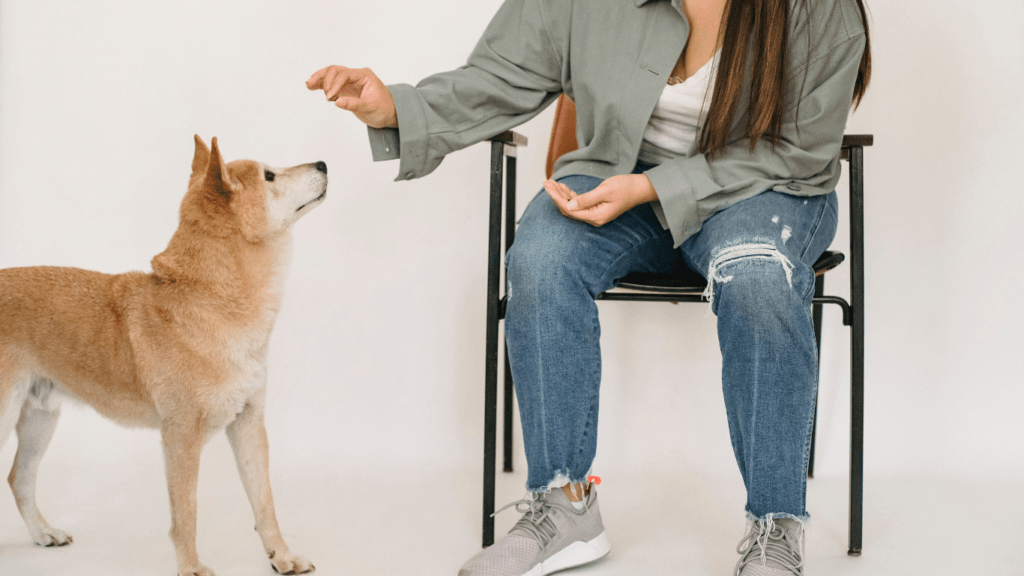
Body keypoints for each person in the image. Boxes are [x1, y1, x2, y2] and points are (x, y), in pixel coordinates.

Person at [306, 0, 870, 574]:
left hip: (760, 191)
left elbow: (800, 151)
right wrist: (396, 107)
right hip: (614, 180)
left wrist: (653, 189)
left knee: (756, 276)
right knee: (543, 259)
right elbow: (499, 76)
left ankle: (776, 525)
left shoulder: (818, 8)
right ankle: (564, 507)